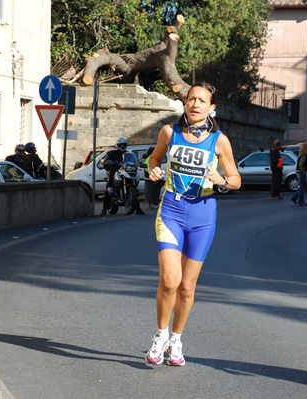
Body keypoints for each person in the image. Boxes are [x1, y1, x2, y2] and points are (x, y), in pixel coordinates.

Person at [144, 82, 240, 366]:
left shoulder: (220, 140)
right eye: (191, 99)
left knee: (187, 286)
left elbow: (236, 179)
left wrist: (223, 180)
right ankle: (160, 335)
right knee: (170, 280)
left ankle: (176, 339)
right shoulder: (169, 132)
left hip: (203, 214)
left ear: (212, 108)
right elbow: (154, 158)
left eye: (202, 100)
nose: (195, 104)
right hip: (171, 209)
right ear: (185, 103)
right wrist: (153, 169)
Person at [100, 138, 145, 215]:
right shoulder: (112, 153)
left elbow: (134, 161)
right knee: (109, 189)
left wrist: (139, 163)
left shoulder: (128, 154)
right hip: (116, 170)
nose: (122, 146)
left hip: (126, 171)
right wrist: (109, 161)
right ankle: (104, 209)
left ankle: (138, 208)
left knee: (133, 187)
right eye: (121, 145)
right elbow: (107, 160)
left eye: (124, 145)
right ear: (117, 145)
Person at [290, 142, 307, 206]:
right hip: (301, 173)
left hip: (298, 172)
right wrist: (304, 171)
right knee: (302, 187)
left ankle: (295, 197)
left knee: (302, 186)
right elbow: (301, 165)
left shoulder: (300, 155)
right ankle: (300, 201)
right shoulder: (304, 156)